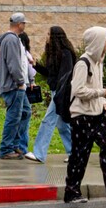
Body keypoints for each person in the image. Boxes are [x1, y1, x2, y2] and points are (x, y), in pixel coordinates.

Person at [63, 26, 106, 203]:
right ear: (97, 43)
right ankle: (71, 192)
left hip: (97, 114)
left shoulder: (98, 63)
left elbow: (96, 88)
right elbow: (78, 91)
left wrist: (103, 102)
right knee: (80, 155)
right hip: (82, 116)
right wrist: (101, 94)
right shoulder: (83, 63)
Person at [24, 25, 78, 164]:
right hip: (57, 92)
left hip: (62, 93)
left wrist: (59, 95)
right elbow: (50, 73)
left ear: (55, 37)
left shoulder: (66, 53)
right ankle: (75, 153)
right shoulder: (55, 54)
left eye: (48, 34)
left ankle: (39, 153)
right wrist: (36, 65)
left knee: (48, 121)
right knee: (61, 124)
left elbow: (66, 76)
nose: (46, 37)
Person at [0, 12, 34, 159]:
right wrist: (20, 82)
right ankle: (6, 149)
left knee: (25, 112)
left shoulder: (12, 39)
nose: (25, 25)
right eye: (24, 23)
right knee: (13, 117)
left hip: (16, 86)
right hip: (14, 86)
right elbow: (14, 64)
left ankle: (15, 144)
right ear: (19, 24)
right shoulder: (11, 40)